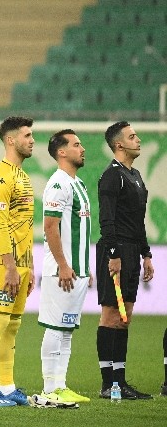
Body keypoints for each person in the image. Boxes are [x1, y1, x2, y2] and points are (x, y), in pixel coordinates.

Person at [31, 129, 92, 408]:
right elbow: (50, 227)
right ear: (61, 152)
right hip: (61, 271)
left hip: (75, 269)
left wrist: (82, 267)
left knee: (67, 329)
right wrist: (64, 265)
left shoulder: (77, 183)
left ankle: (60, 386)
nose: (82, 149)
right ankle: (49, 388)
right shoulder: (58, 183)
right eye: (76, 145)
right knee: (56, 328)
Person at [95, 121, 155, 400]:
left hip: (132, 251)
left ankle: (120, 380)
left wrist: (146, 254)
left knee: (125, 316)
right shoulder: (112, 176)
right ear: (119, 144)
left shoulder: (137, 176)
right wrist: (113, 254)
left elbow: (139, 221)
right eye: (132, 136)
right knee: (110, 314)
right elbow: (106, 220)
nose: (138, 140)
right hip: (116, 250)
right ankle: (109, 384)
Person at [0, 116, 35, 408]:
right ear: (10, 140)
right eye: (26, 135)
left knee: (12, 326)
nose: (32, 140)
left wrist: (30, 265)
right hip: (4, 263)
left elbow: (25, 224)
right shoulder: (1, 178)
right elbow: (0, 226)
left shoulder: (22, 176)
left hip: (22, 263)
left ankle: (8, 386)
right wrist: (11, 267)